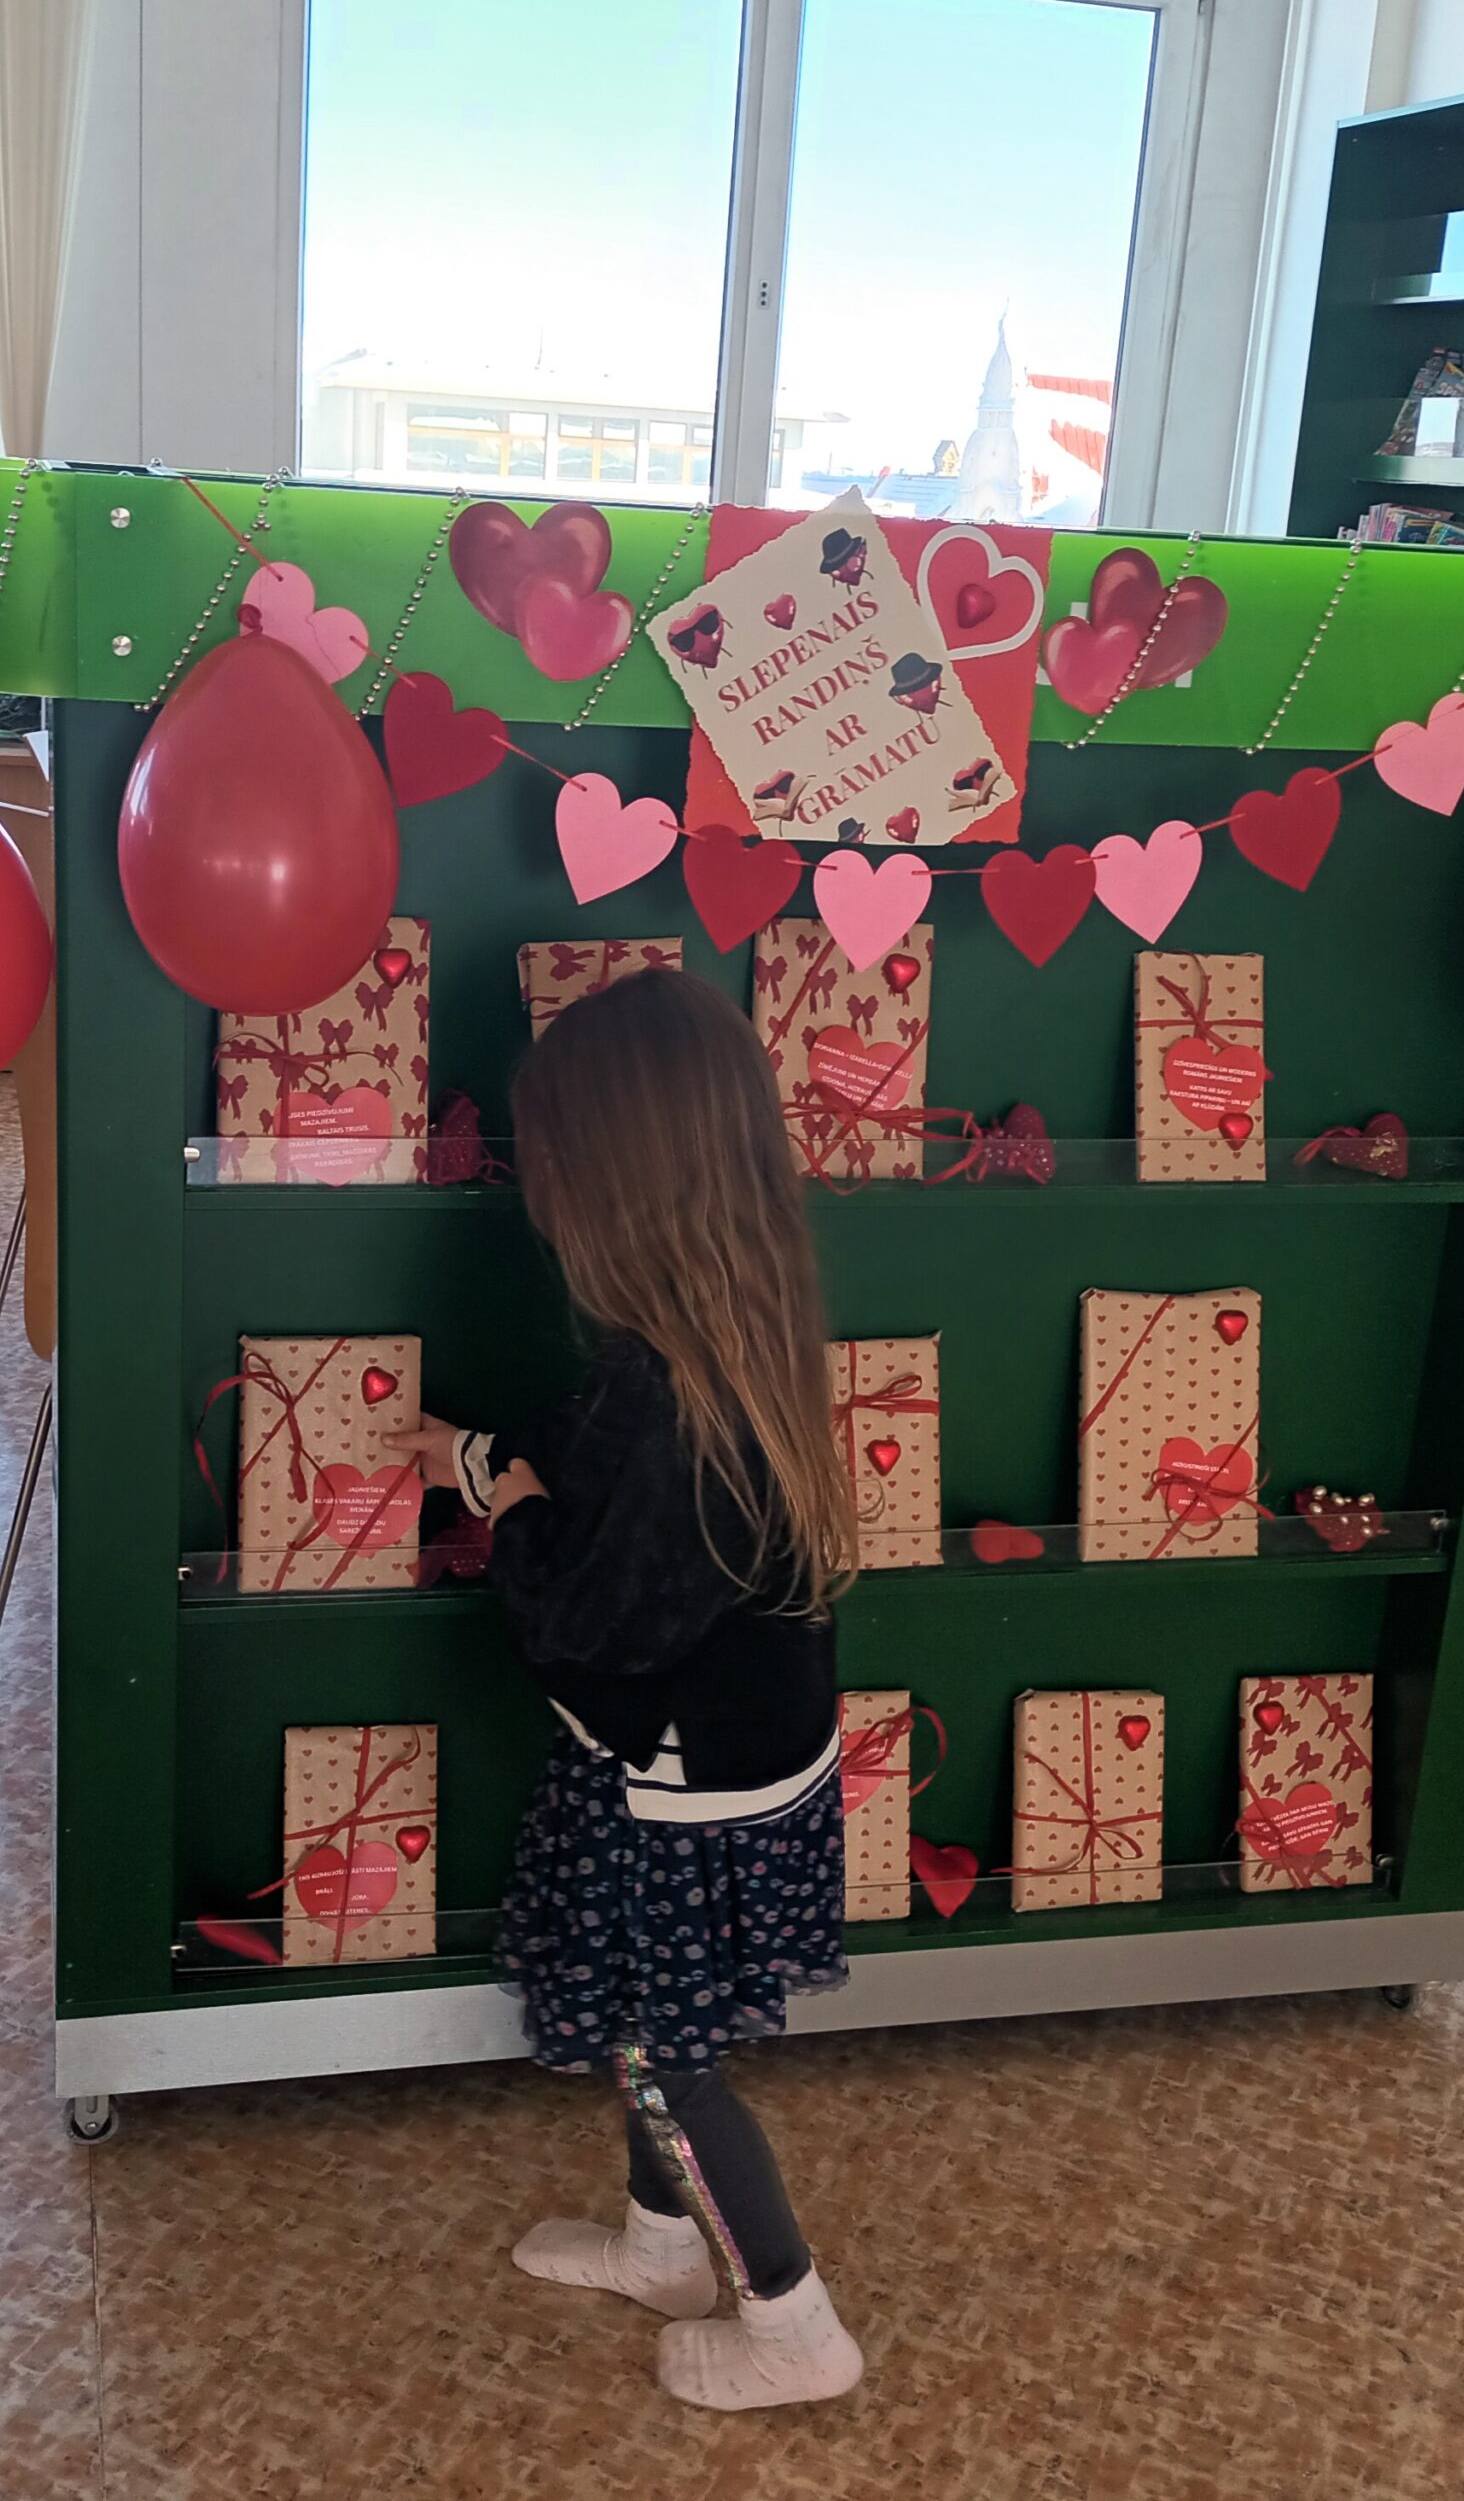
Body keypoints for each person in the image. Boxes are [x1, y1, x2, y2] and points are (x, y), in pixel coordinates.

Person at [388, 968, 864, 2412]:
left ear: (618, 1195)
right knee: (659, 2028)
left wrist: (509, 1507)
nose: (539, 1201)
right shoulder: (720, 1342)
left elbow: (584, 1624)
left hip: (683, 1798)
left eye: (555, 1174)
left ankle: (793, 2320)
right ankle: (662, 2247)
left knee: (662, 2059)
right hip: (745, 1764)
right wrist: (493, 1464)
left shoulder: (674, 1407)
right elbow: (586, 1466)